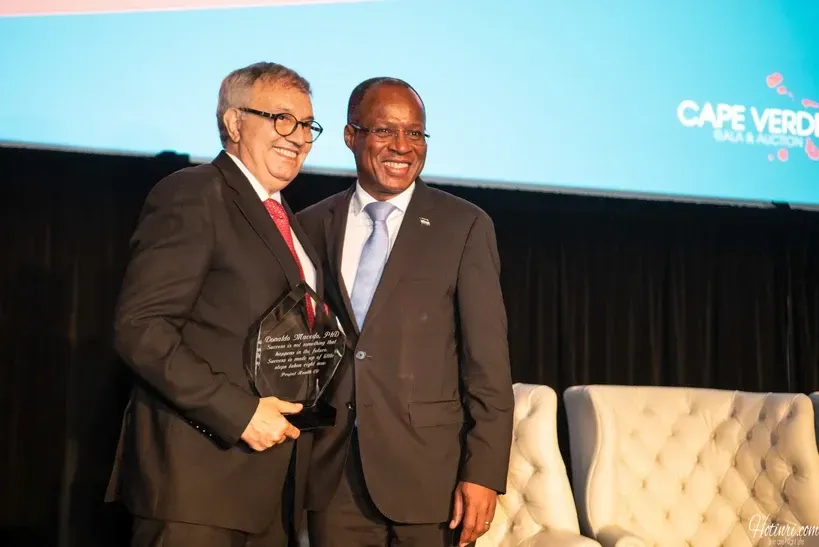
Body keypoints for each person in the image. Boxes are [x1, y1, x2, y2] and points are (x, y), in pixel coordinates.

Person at [105, 62, 324, 547]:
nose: (299, 136)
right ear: (234, 122)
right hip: (196, 488)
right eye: (282, 119)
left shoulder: (286, 218)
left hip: (270, 492)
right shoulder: (195, 192)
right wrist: (239, 413)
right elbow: (141, 328)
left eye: (308, 125)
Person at [296, 77, 515, 547]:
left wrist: (483, 472)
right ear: (351, 135)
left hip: (432, 478)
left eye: (414, 133)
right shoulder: (310, 225)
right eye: (384, 131)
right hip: (333, 476)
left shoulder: (464, 226)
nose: (402, 146)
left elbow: (488, 364)